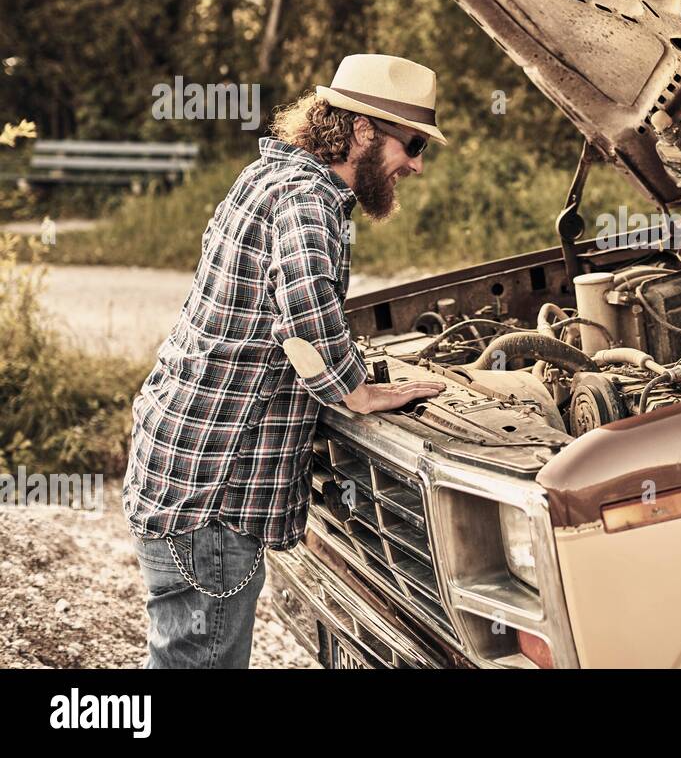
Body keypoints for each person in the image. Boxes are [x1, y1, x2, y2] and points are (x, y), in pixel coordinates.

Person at [123, 54, 448, 668]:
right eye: (411, 143)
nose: (416, 163)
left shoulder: (270, 175)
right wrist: (360, 393)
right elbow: (304, 317)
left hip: (184, 468)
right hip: (214, 497)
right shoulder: (308, 200)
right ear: (361, 132)